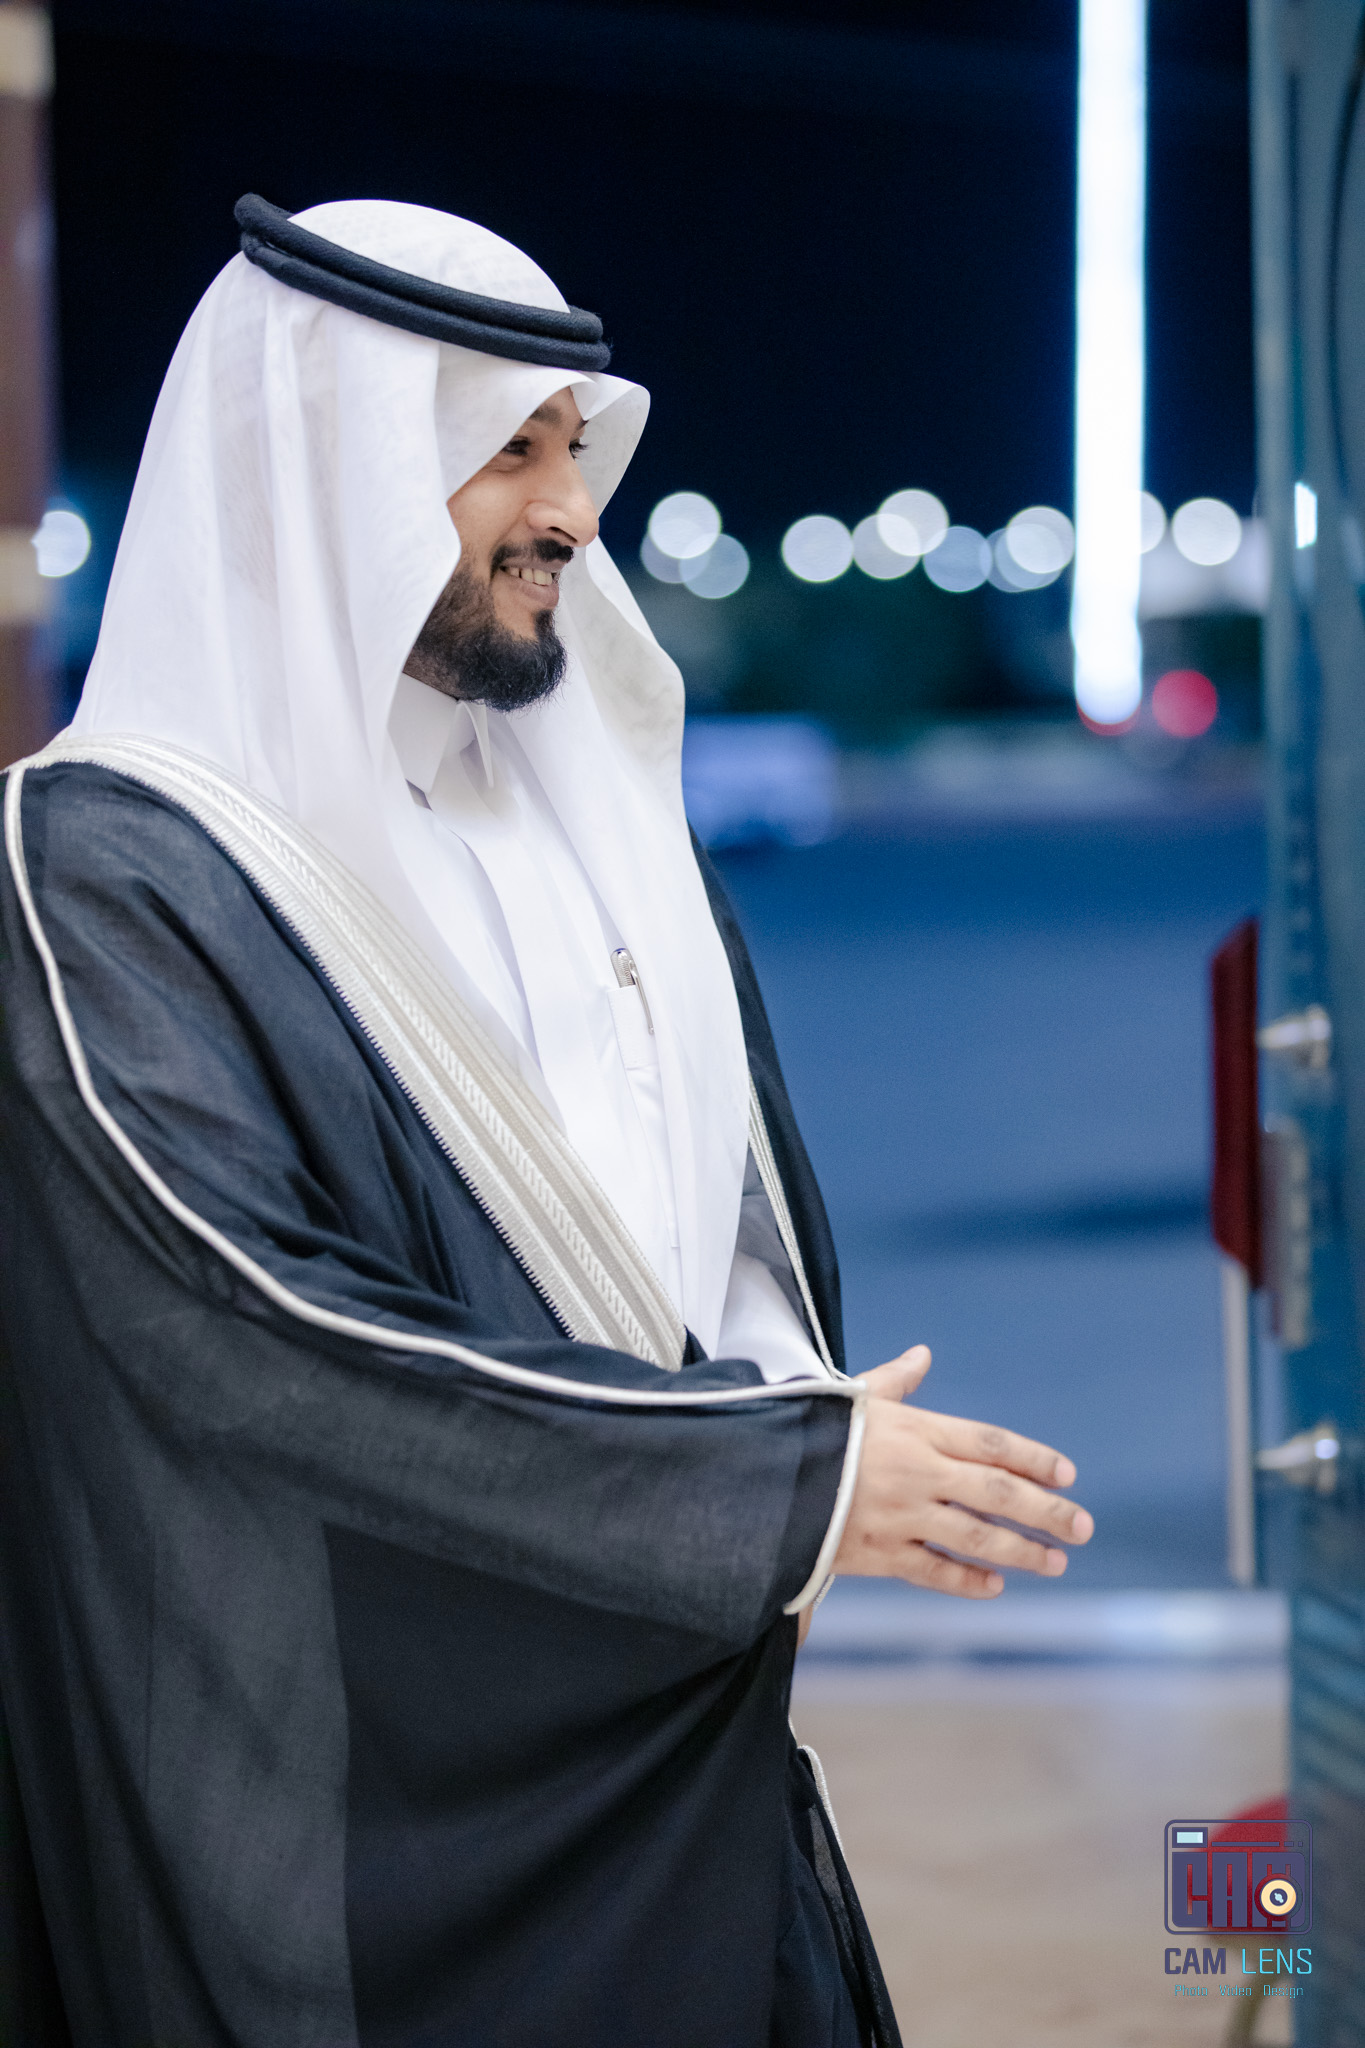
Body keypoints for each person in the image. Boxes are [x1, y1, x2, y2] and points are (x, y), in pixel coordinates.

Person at [0, 195, 1092, 2048]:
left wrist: (786, 1412)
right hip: (368, 1807)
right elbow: (243, 1335)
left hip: (673, 1719)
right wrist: (776, 1485)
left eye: (573, 448)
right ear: (329, 476)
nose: (573, 512)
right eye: (508, 450)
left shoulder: (596, 814)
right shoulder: (107, 865)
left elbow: (720, 1220)